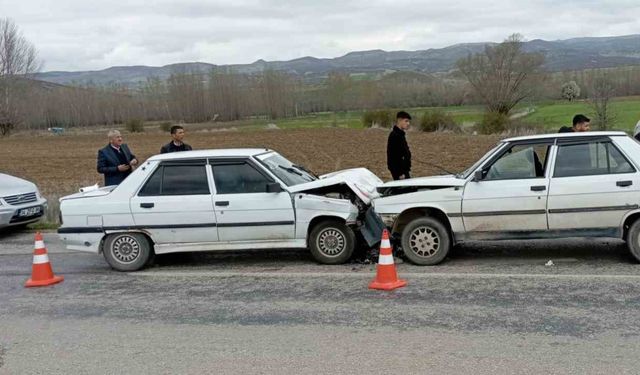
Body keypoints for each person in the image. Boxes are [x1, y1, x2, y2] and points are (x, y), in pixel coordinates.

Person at [387, 111, 412, 180]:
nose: (408, 123)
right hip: (400, 172)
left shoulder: (401, 135)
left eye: (408, 121)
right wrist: (400, 173)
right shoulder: (394, 135)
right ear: (399, 120)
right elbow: (393, 156)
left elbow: (404, 152)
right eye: (406, 121)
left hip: (404, 170)